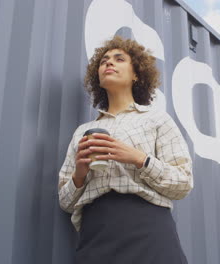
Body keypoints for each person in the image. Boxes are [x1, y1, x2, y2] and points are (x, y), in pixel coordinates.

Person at [58, 36, 193, 263]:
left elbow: (183, 183)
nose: (108, 63)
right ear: (97, 77)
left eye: (119, 59)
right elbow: (66, 202)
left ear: (136, 74)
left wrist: (139, 159)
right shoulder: (84, 131)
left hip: (149, 229)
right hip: (96, 234)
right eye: (103, 61)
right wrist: (79, 174)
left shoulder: (156, 119)